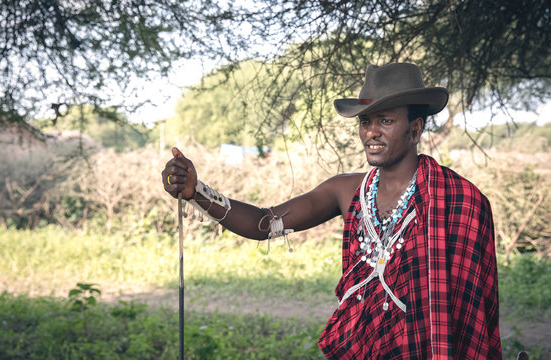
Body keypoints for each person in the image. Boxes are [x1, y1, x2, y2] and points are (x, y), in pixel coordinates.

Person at [162, 63, 501, 359]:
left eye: (386, 120)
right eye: (365, 121)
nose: (371, 132)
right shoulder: (347, 190)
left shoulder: (459, 200)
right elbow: (264, 224)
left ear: (415, 128)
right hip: (360, 349)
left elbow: (472, 307)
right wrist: (198, 192)